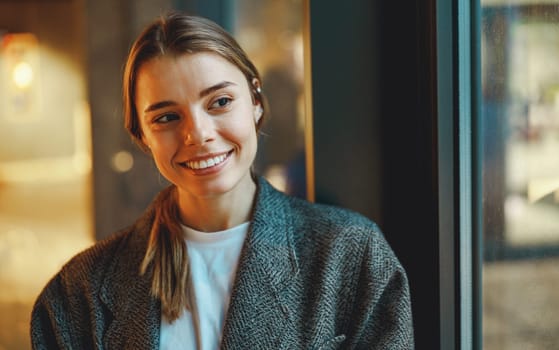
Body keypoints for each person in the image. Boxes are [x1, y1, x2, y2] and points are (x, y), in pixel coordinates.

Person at [30, 12, 414, 350]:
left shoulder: (350, 256)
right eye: (166, 117)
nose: (198, 135)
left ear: (256, 102)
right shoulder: (77, 294)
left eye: (220, 102)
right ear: (141, 137)